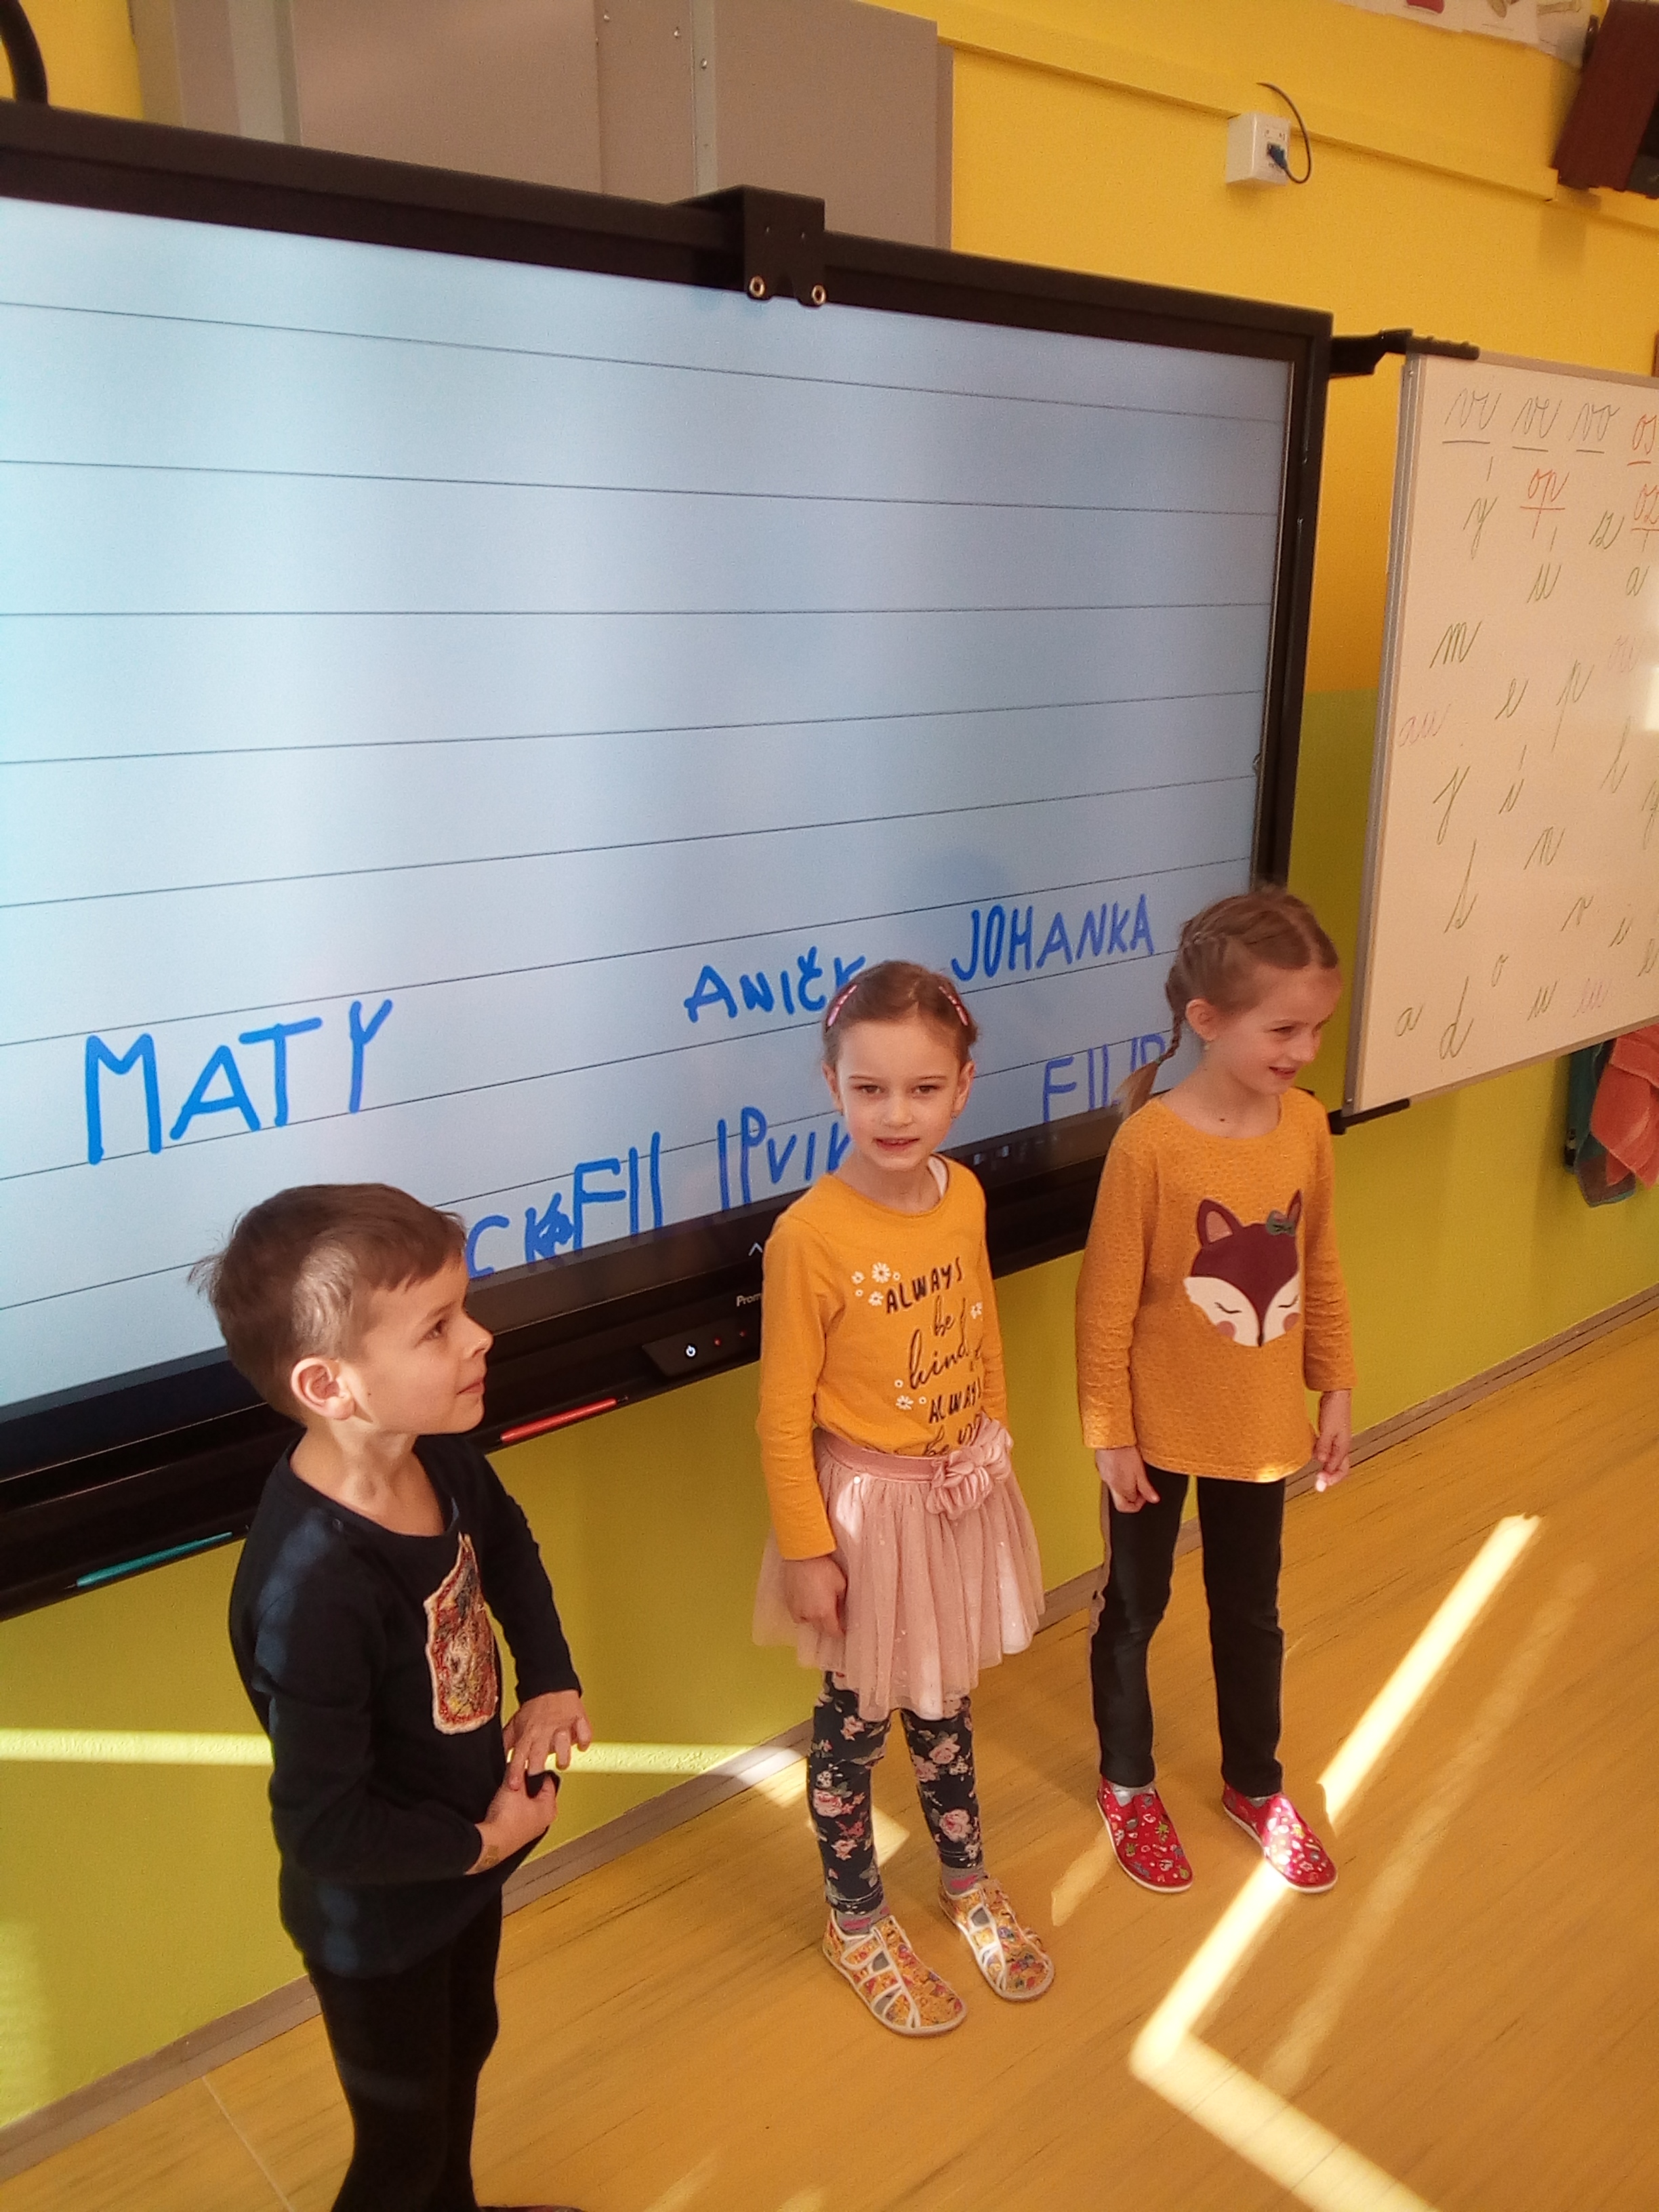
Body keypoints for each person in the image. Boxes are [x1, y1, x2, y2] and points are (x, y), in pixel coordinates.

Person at [198, 1184, 590, 2212]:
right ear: (331, 1385)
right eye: (438, 1327)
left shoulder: (436, 1449)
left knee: (468, 2049)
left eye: (465, 1310)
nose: (480, 1337)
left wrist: (549, 1676)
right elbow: (323, 1828)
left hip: (458, 1868)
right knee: (400, 2151)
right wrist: (483, 1843)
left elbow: (506, 1546)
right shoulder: (313, 1590)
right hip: (379, 1920)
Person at [752, 960, 1053, 2035]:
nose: (896, 1114)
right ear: (831, 1085)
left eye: (923, 1089)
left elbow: (980, 1331)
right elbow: (781, 1415)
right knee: (854, 1723)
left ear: (963, 1087)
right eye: (869, 1088)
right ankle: (854, 1916)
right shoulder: (810, 1237)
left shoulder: (963, 1195)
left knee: (946, 1700)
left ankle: (965, 1879)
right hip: (866, 1521)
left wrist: (993, 1448)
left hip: (958, 1494)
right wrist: (807, 1550)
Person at [1075, 887, 1354, 1897]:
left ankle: (1255, 1784)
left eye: (1316, 1028)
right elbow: (1105, 1306)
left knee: (1251, 1612)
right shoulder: (1151, 1144)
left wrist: (1334, 1386)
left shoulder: (1305, 1126)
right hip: (1151, 1436)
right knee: (1133, 1610)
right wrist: (1110, 1434)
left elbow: (1320, 1266)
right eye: (1284, 1029)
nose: (1305, 1050)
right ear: (1207, 1019)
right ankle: (1126, 1782)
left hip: (1260, 1429)